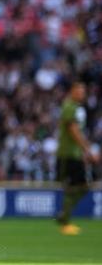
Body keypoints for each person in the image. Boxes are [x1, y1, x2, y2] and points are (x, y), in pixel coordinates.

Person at [55, 81, 100, 235]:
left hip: (76, 154)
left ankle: (64, 216)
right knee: (75, 186)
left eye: (83, 91)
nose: (81, 94)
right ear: (72, 91)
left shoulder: (77, 108)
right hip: (68, 154)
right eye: (79, 91)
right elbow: (73, 131)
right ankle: (65, 221)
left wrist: (85, 151)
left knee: (82, 186)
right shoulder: (69, 107)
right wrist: (88, 150)